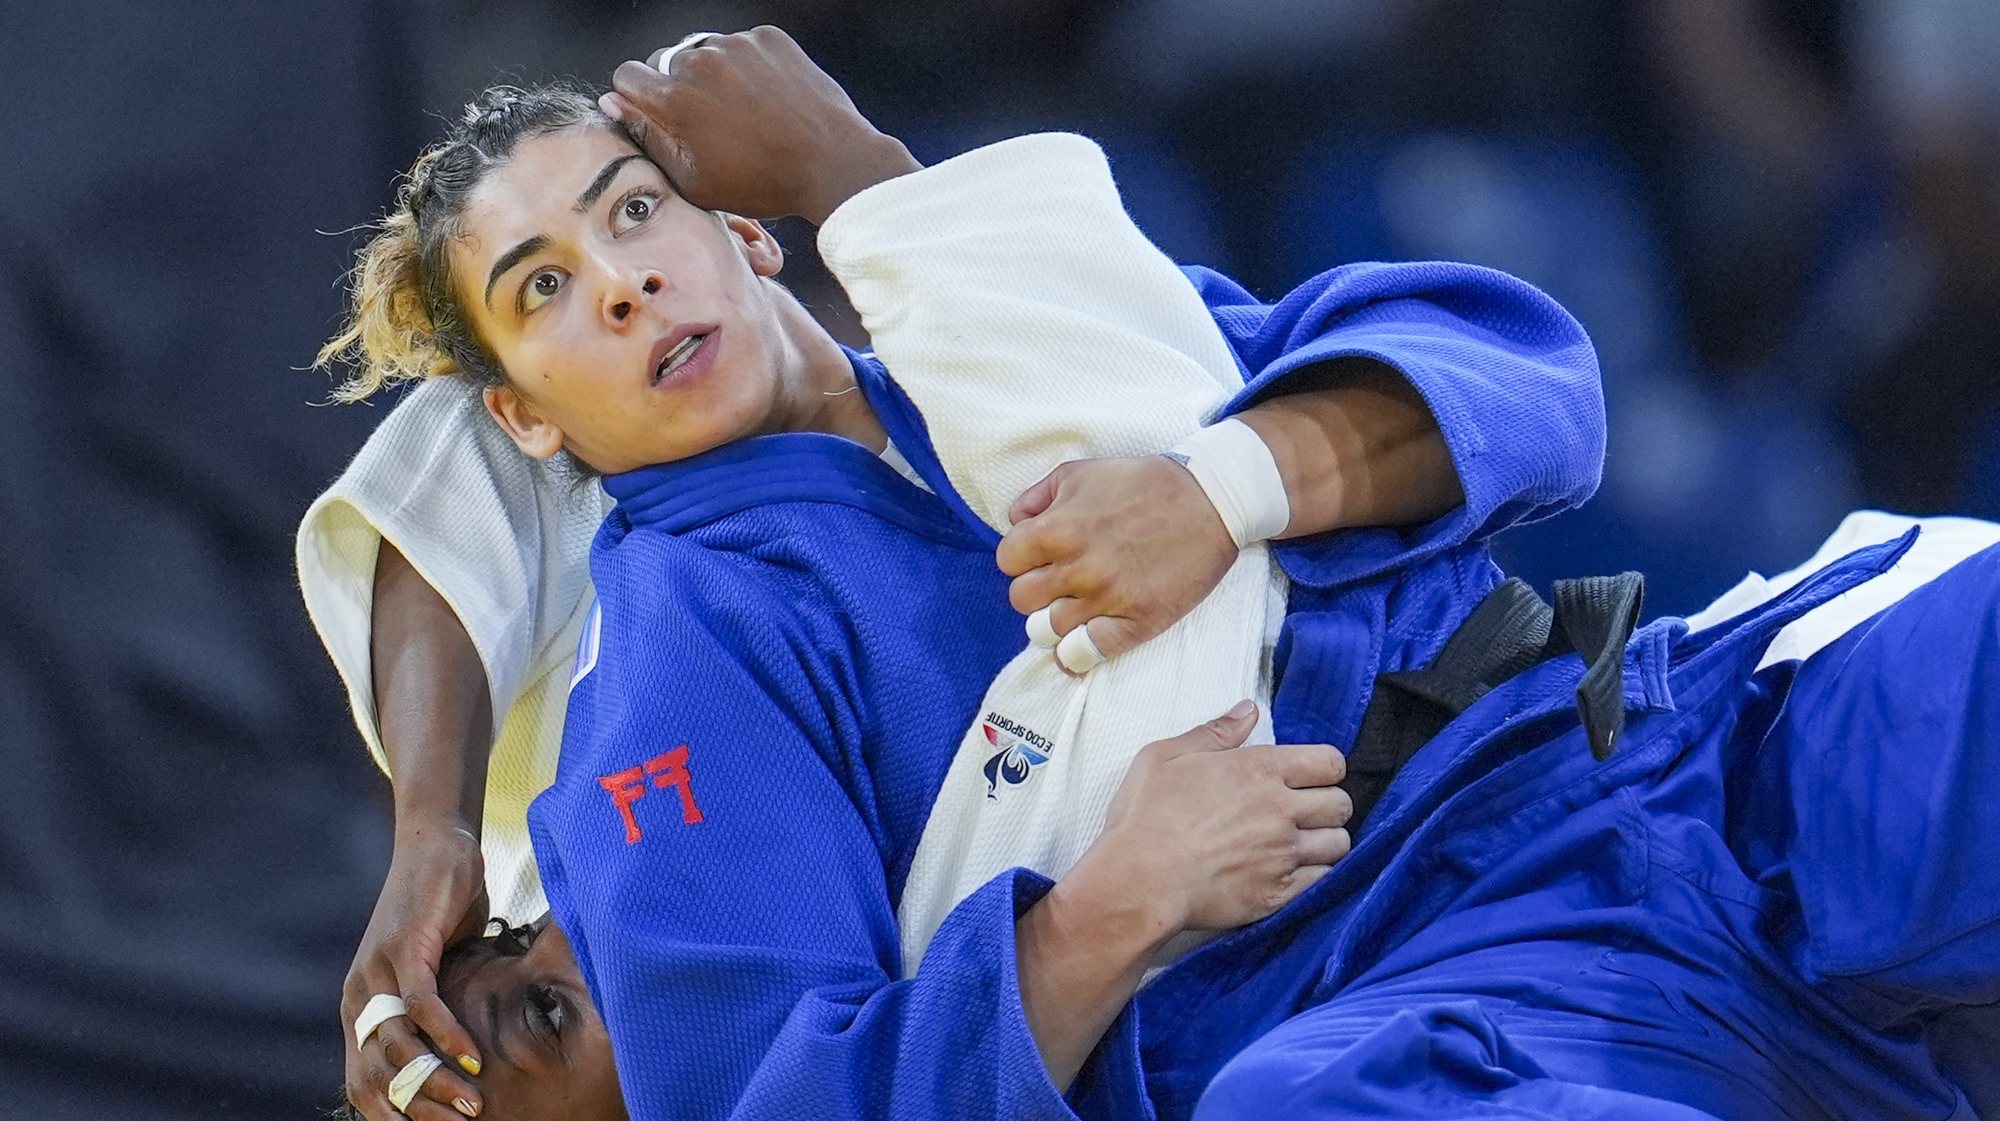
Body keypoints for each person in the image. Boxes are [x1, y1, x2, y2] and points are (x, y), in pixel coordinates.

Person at [305, 29, 1606, 1121]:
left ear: (748, 233)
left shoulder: (999, 327)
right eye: (546, 291)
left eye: (636, 212)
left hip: (1591, 753)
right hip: (1355, 1002)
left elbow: (1536, 375)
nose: (626, 286)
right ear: (524, 417)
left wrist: (1234, 485)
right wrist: (1105, 913)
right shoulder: (677, 667)